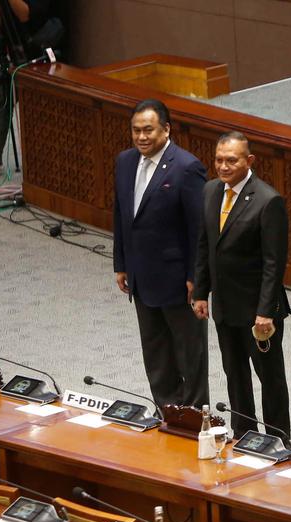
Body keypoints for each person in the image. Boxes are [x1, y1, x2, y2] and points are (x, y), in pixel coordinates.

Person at [192, 132, 291, 441]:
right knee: (235, 375)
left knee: (269, 378)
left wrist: (264, 312)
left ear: (249, 161)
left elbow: (274, 264)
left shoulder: (267, 200)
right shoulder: (210, 191)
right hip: (224, 306)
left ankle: (278, 438)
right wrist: (200, 292)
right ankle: (244, 432)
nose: (223, 166)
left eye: (231, 161)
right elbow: (205, 245)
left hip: (258, 312)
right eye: (219, 160)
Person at [112, 99, 208, 409]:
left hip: (179, 281)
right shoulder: (125, 162)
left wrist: (198, 278)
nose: (141, 137)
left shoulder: (187, 167)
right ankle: (168, 411)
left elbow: (199, 230)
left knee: (188, 354)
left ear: (166, 129)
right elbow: (122, 215)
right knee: (155, 352)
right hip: (141, 276)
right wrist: (121, 264)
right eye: (136, 130)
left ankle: (193, 417)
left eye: (148, 130)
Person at [0, 0, 65, 177]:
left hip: (35, 51)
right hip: (9, 48)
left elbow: (25, 14)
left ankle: (45, 163)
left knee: (36, 112)